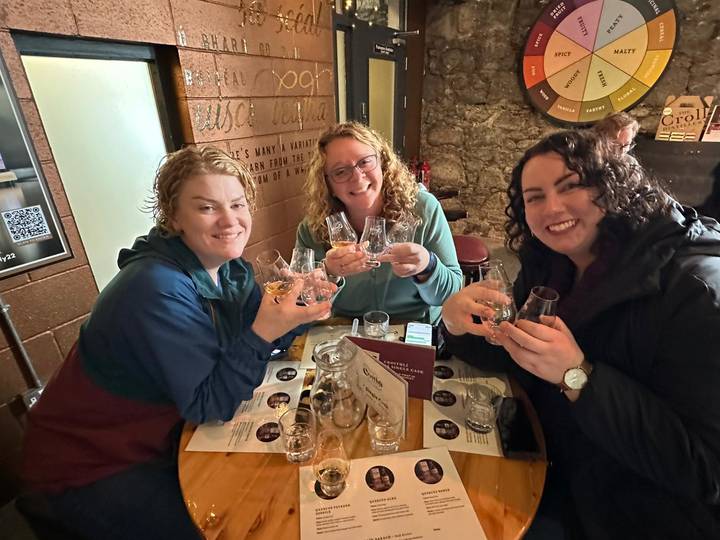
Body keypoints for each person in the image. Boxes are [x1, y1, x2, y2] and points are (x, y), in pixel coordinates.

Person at [19, 147, 331, 539]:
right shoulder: (154, 288)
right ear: (173, 217)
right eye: (206, 208)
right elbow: (210, 404)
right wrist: (264, 332)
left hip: (167, 435)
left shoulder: (229, 268)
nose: (230, 220)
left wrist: (298, 307)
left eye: (237, 204)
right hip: (88, 467)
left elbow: (262, 337)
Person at [441, 130, 720, 538]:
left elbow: (706, 471)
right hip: (542, 459)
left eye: (571, 187)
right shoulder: (549, 264)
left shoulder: (695, 289)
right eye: (534, 197)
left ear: (612, 188)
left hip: (625, 514)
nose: (552, 208)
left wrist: (578, 376)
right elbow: (513, 356)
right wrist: (454, 323)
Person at [296, 121, 462, 323]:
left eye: (365, 162)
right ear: (327, 184)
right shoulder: (312, 228)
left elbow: (453, 295)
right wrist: (328, 273)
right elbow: (301, 307)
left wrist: (428, 266)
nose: (357, 178)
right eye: (340, 171)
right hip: (345, 332)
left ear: (383, 164)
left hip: (412, 329)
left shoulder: (423, 209)